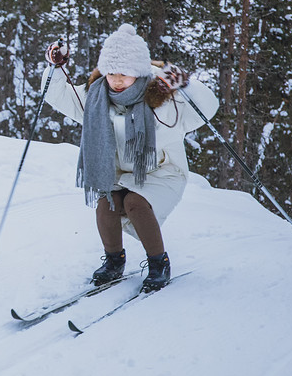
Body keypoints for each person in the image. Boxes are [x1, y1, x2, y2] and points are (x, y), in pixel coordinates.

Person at [43, 24, 219, 292]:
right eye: (111, 72)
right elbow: (58, 97)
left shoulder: (163, 98)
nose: (116, 79)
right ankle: (114, 262)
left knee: (135, 203)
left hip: (162, 172)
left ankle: (159, 264)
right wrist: (55, 68)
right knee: (107, 203)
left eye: (123, 73)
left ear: (138, 72)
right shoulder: (96, 97)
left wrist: (184, 82)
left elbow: (208, 108)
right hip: (120, 176)